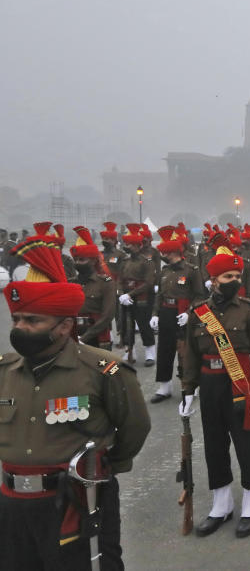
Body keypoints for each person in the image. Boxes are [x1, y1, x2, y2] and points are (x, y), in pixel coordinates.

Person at [0, 229, 150, 569]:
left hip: (77, 502)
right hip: (12, 505)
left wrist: (104, 468)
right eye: (17, 319)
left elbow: (134, 428)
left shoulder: (103, 369)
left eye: (33, 320)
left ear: (65, 326)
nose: (20, 328)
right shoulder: (4, 372)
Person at [180, 237, 250, 538]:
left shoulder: (249, 310)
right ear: (214, 279)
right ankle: (221, 505)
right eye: (228, 277)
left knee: (245, 446)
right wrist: (188, 389)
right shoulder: (199, 313)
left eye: (237, 276)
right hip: (210, 384)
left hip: (239, 384)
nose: (235, 281)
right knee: (214, 447)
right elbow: (191, 354)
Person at [149, 226, 204, 403]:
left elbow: (200, 296)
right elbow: (160, 295)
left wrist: (190, 313)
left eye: (166, 253)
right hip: (166, 312)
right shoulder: (165, 272)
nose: (163, 256)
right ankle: (164, 387)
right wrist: (155, 314)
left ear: (173, 252)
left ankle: (189, 385)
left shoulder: (191, 270)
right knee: (164, 350)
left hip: (184, 314)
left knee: (186, 352)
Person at [68, 226, 117, 351]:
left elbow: (107, 316)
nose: (77, 263)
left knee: (110, 369)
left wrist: (84, 339)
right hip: (73, 336)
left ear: (94, 261)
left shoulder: (106, 282)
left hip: (97, 337)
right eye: (76, 259)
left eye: (82, 260)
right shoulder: (70, 284)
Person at [117, 224, 157, 366]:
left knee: (144, 324)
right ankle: (129, 352)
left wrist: (130, 294)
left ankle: (150, 354)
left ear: (139, 246)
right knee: (127, 325)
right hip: (126, 297)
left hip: (142, 297)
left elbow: (148, 282)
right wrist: (121, 294)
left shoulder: (147, 262)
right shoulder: (125, 262)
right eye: (127, 244)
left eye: (131, 245)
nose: (128, 247)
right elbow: (120, 280)